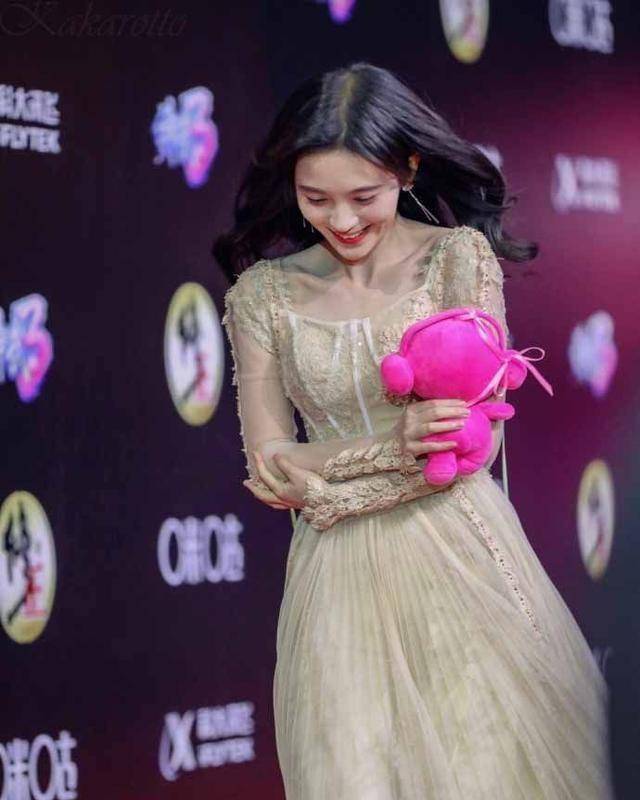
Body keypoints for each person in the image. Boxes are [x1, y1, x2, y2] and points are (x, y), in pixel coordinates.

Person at [214, 62, 615, 799]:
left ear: (407, 169)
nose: (341, 221)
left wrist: (329, 473)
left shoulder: (457, 259)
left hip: (463, 562)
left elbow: (478, 444)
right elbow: (269, 464)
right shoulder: (262, 297)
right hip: (336, 586)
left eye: (363, 196)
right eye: (315, 198)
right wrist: (390, 448)